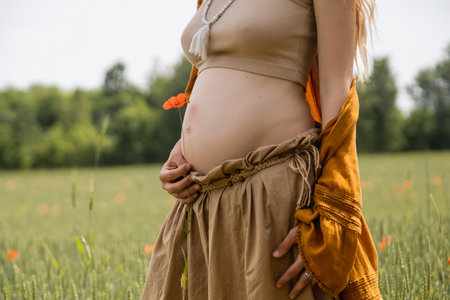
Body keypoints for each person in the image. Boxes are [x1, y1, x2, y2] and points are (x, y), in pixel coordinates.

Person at [142, 0, 381, 299]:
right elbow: (219, 75)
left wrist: (329, 219)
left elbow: (338, 90)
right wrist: (184, 149)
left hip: (271, 195)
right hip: (203, 206)